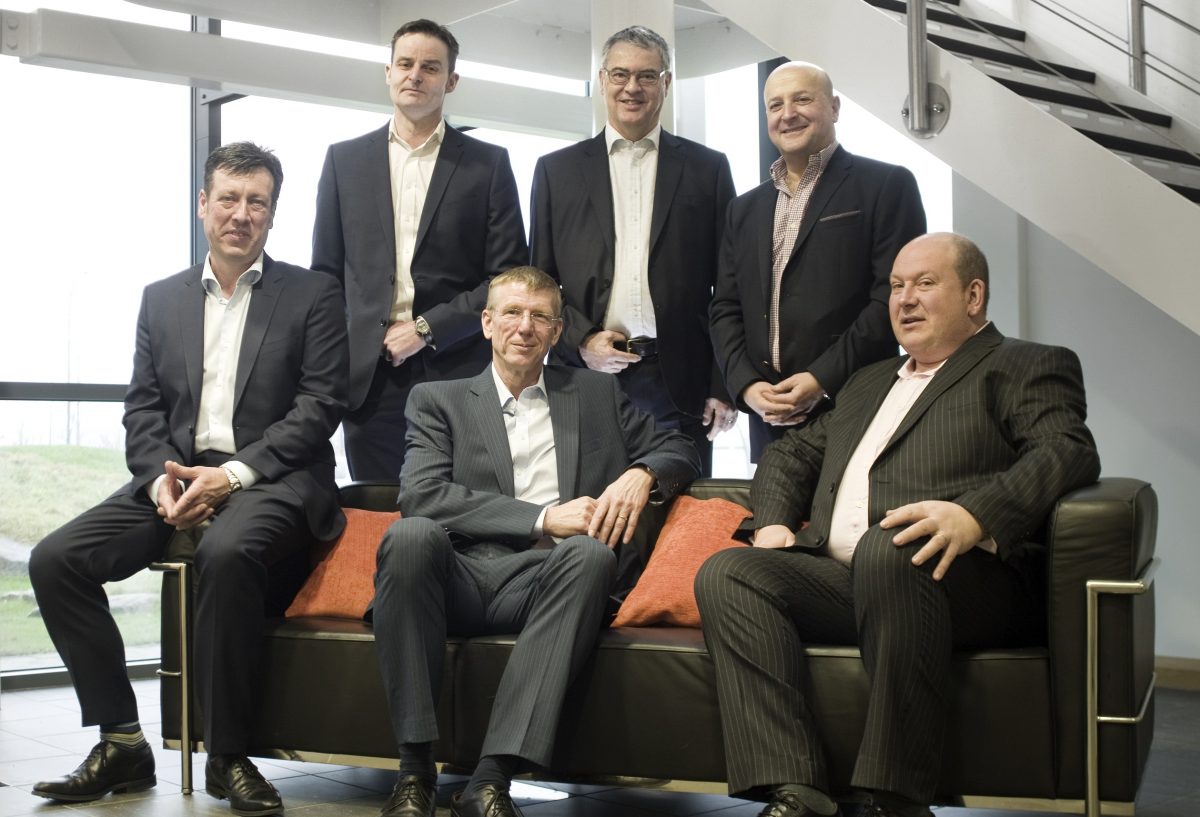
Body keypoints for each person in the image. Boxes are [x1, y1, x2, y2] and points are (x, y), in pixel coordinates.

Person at [695, 233, 1101, 817]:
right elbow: (790, 455)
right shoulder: (868, 381)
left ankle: (894, 797)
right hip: (852, 576)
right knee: (729, 572)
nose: (904, 299)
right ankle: (793, 787)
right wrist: (775, 525)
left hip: (966, 578)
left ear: (974, 295)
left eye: (925, 284)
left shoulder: (1025, 364)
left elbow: (1067, 450)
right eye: (896, 287)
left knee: (891, 548)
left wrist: (975, 514)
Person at [28, 142, 349, 817]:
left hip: (272, 478)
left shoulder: (314, 294)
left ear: (271, 213)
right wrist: (158, 482)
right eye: (228, 198)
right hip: (174, 476)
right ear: (202, 205)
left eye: (256, 201)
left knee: (226, 552)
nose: (241, 214)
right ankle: (120, 739)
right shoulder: (160, 298)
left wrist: (230, 475)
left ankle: (227, 754)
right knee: (56, 560)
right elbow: (142, 405)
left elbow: (319, 406)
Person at [371, 266, 700, 817]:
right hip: (459, 574)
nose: (524, 327)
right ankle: (414, 772)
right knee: (409, 535)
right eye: (512, 313)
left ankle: (491, 780)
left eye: (539, 316)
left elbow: (680, 449)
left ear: (556, 329)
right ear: (487, 323)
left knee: (592, 554)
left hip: (547, 582)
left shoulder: (596, 393)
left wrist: (641, 472)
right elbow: (422, 496)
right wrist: (544, 517)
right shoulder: (438, 399)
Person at [313, 18, 528, 480]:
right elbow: (326, 277)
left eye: (430, 67)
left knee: (461, 517)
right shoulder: (343, 161)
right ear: (387, 72)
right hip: (369, 380)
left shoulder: (488, 165)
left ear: (451, 81)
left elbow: (507, 280)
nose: (415, 75)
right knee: (379, 517)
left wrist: (427, 328)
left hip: (457, 370)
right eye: (405, 64)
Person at [530, 25, 737, 476]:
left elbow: (731, 283)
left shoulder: (709, 169)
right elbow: (539, 285)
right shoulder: (555, 172)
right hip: (585, 377)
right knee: (590, 518)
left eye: (647, 76)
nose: (632, 87)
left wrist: (724, 383)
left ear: (665, 84)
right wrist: (582, 340)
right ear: (602, 80)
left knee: (680, 528)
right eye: (620, 74)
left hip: (683, 383)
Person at [710, 61, 927, 461]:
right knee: (775, 524)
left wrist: (820, 379)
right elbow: (725, 307)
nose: (787, 114)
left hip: (854, 406)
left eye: (802, 99)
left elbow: (891, 300)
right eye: (775, 105)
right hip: (769, 418)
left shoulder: (886, 186)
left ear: (835, 108)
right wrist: (745, 387)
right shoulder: (743, 209)